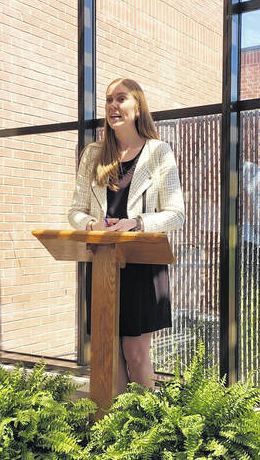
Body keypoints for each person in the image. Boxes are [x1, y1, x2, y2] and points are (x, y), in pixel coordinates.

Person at [68, 78, 185, 392]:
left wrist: (135, 222)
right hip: (103, 263)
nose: (112, 106)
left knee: (135, 354)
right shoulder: (93, 154)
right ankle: (113, 431)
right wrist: (91, 225)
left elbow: (177, 214)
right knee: (107, 355)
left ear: (138, 106)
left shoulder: (159, 152)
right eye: (108, 100)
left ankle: (148, 433)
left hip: (141, 266)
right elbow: (75, 211)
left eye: (121, 98)